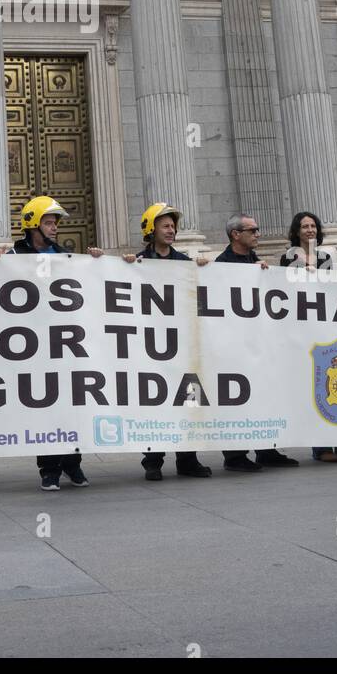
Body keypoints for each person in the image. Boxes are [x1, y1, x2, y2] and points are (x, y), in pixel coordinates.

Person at [202, 214, 299, 473]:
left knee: (263, 395)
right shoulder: (222, 264)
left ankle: (266, 449)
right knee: (235, 399)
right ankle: (235, 456)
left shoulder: (256, 262)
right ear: (236, 234)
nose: (258, 234)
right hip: (233, 346)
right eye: (253, 230)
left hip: (258, 344)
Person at [11, 195, 93, 491]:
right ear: (32, 224)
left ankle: (73, 464)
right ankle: (49, 469)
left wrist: (96, 263)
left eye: (56, 222)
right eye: (49, 221)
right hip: (33, 347)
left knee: (71, 406)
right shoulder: (12, 257)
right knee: (45, 409)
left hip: (65, 345)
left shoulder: (66, 256)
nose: (55, 227)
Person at [129, 204, 211, 481]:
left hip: (183, 347)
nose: (172, 230)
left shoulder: (184, 262)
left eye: (173, 226)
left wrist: (203, 270)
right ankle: (153, 460)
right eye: (165, 226)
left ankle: (188, 459)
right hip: (153, 347)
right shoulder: (138, 262)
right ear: (151, 229)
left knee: (189, 402)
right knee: (156, 403)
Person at [280, 211, 337, 462]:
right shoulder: (288, 257)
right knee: (314, 387)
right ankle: (321, 448)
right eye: (304, 226)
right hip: (304, 327)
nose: (310, 230)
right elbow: (285, 289)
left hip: (328, 325)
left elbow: (332, 287)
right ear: (296, 231)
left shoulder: (325, 257)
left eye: (313, 226)